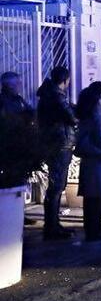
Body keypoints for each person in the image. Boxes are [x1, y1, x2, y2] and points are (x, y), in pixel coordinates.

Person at [37, 66, 77, 240]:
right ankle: (51, 228)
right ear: (66, 80)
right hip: (60, 143)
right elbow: (71, 118)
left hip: (54, 142)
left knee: (57, 186)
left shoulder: (48, 95)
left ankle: (53, 224)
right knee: (57, 186)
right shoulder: (57, 96)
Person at [74, 82, 101, 242]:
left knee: (90, 196)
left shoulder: (83, 106)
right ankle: (96, 230)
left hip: (88, 153)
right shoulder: (96, 106)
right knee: (98, 195)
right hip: (98, 154)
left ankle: (91, 229)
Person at [1, 71, 38, 226]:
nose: (20, 86)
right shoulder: (4, 101)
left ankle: (19, 213)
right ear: (9, 85)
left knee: (19, 182)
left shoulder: (18, 99)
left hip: (19, 146)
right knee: (11, 183)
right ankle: (11, 214)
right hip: (9, 148)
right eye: (18, 83)